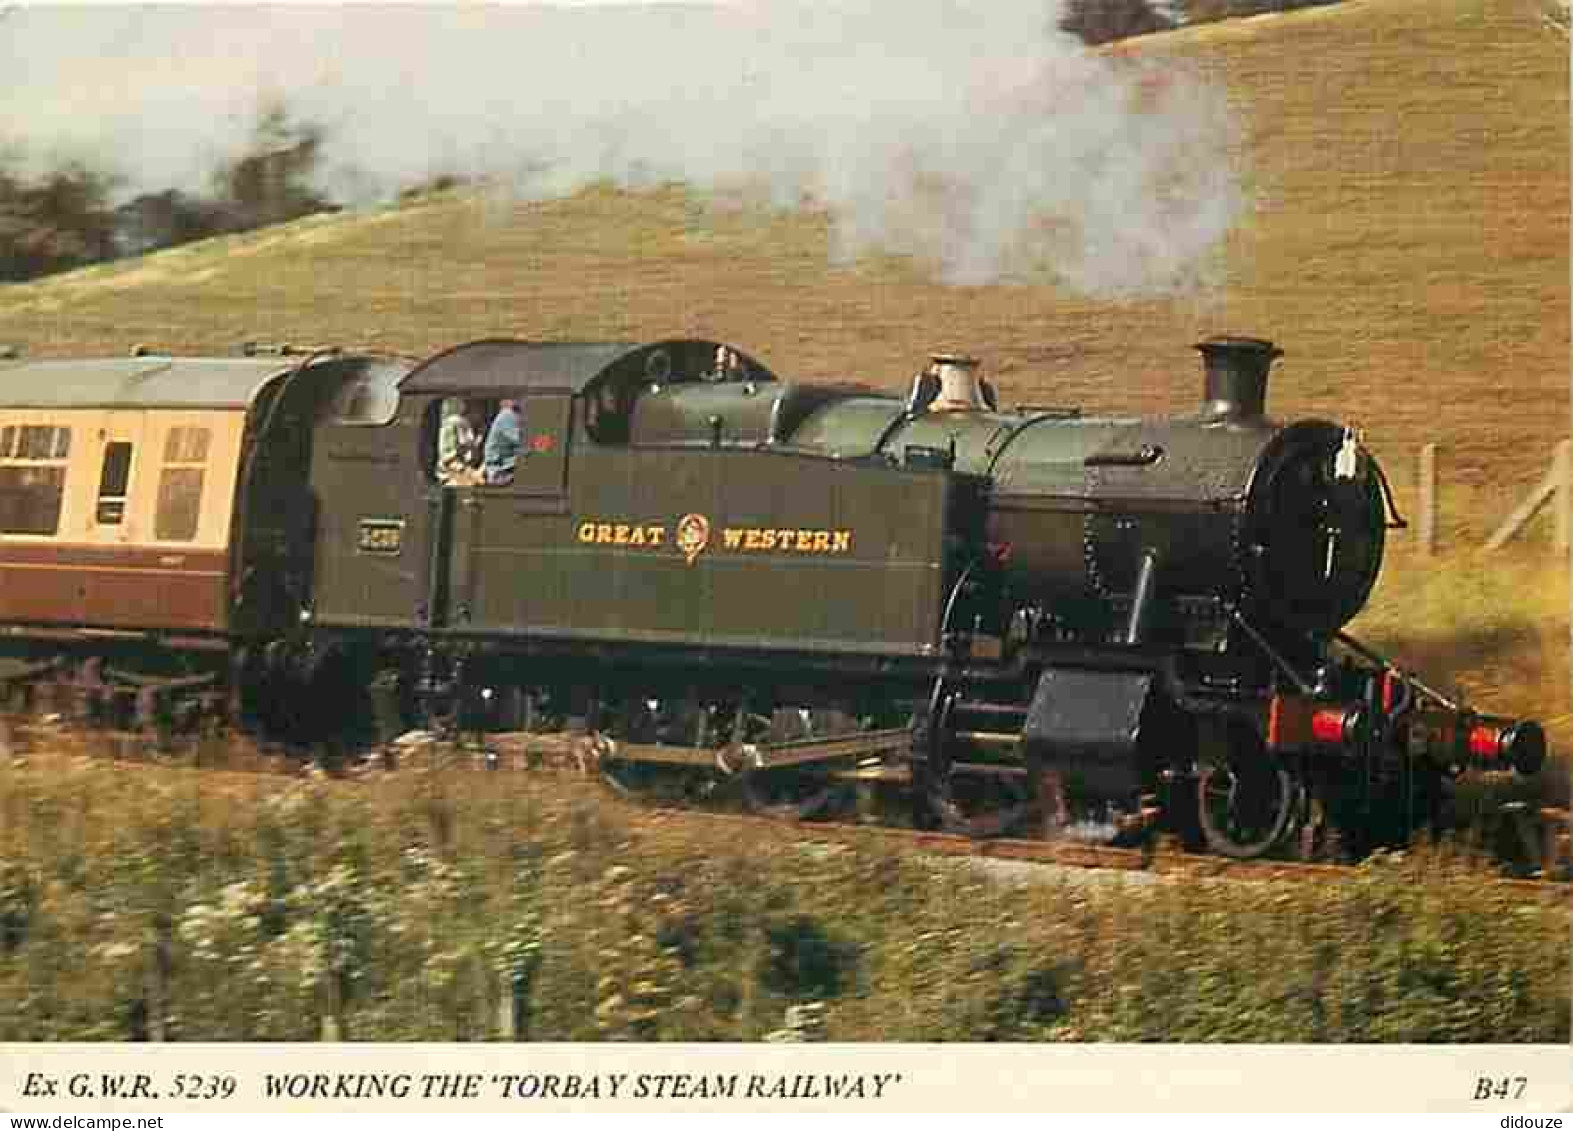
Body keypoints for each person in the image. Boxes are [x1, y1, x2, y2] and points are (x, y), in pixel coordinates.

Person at [436, 397, 480, 485]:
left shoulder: (457, 423)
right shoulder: (455, 423)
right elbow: (447, 458)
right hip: (453, 477)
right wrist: (467, 472)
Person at [483, 398, 523, 484]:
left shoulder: (514, 415)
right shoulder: (507, 415)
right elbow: (522, 440)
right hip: (501, 471)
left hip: (507, 466)